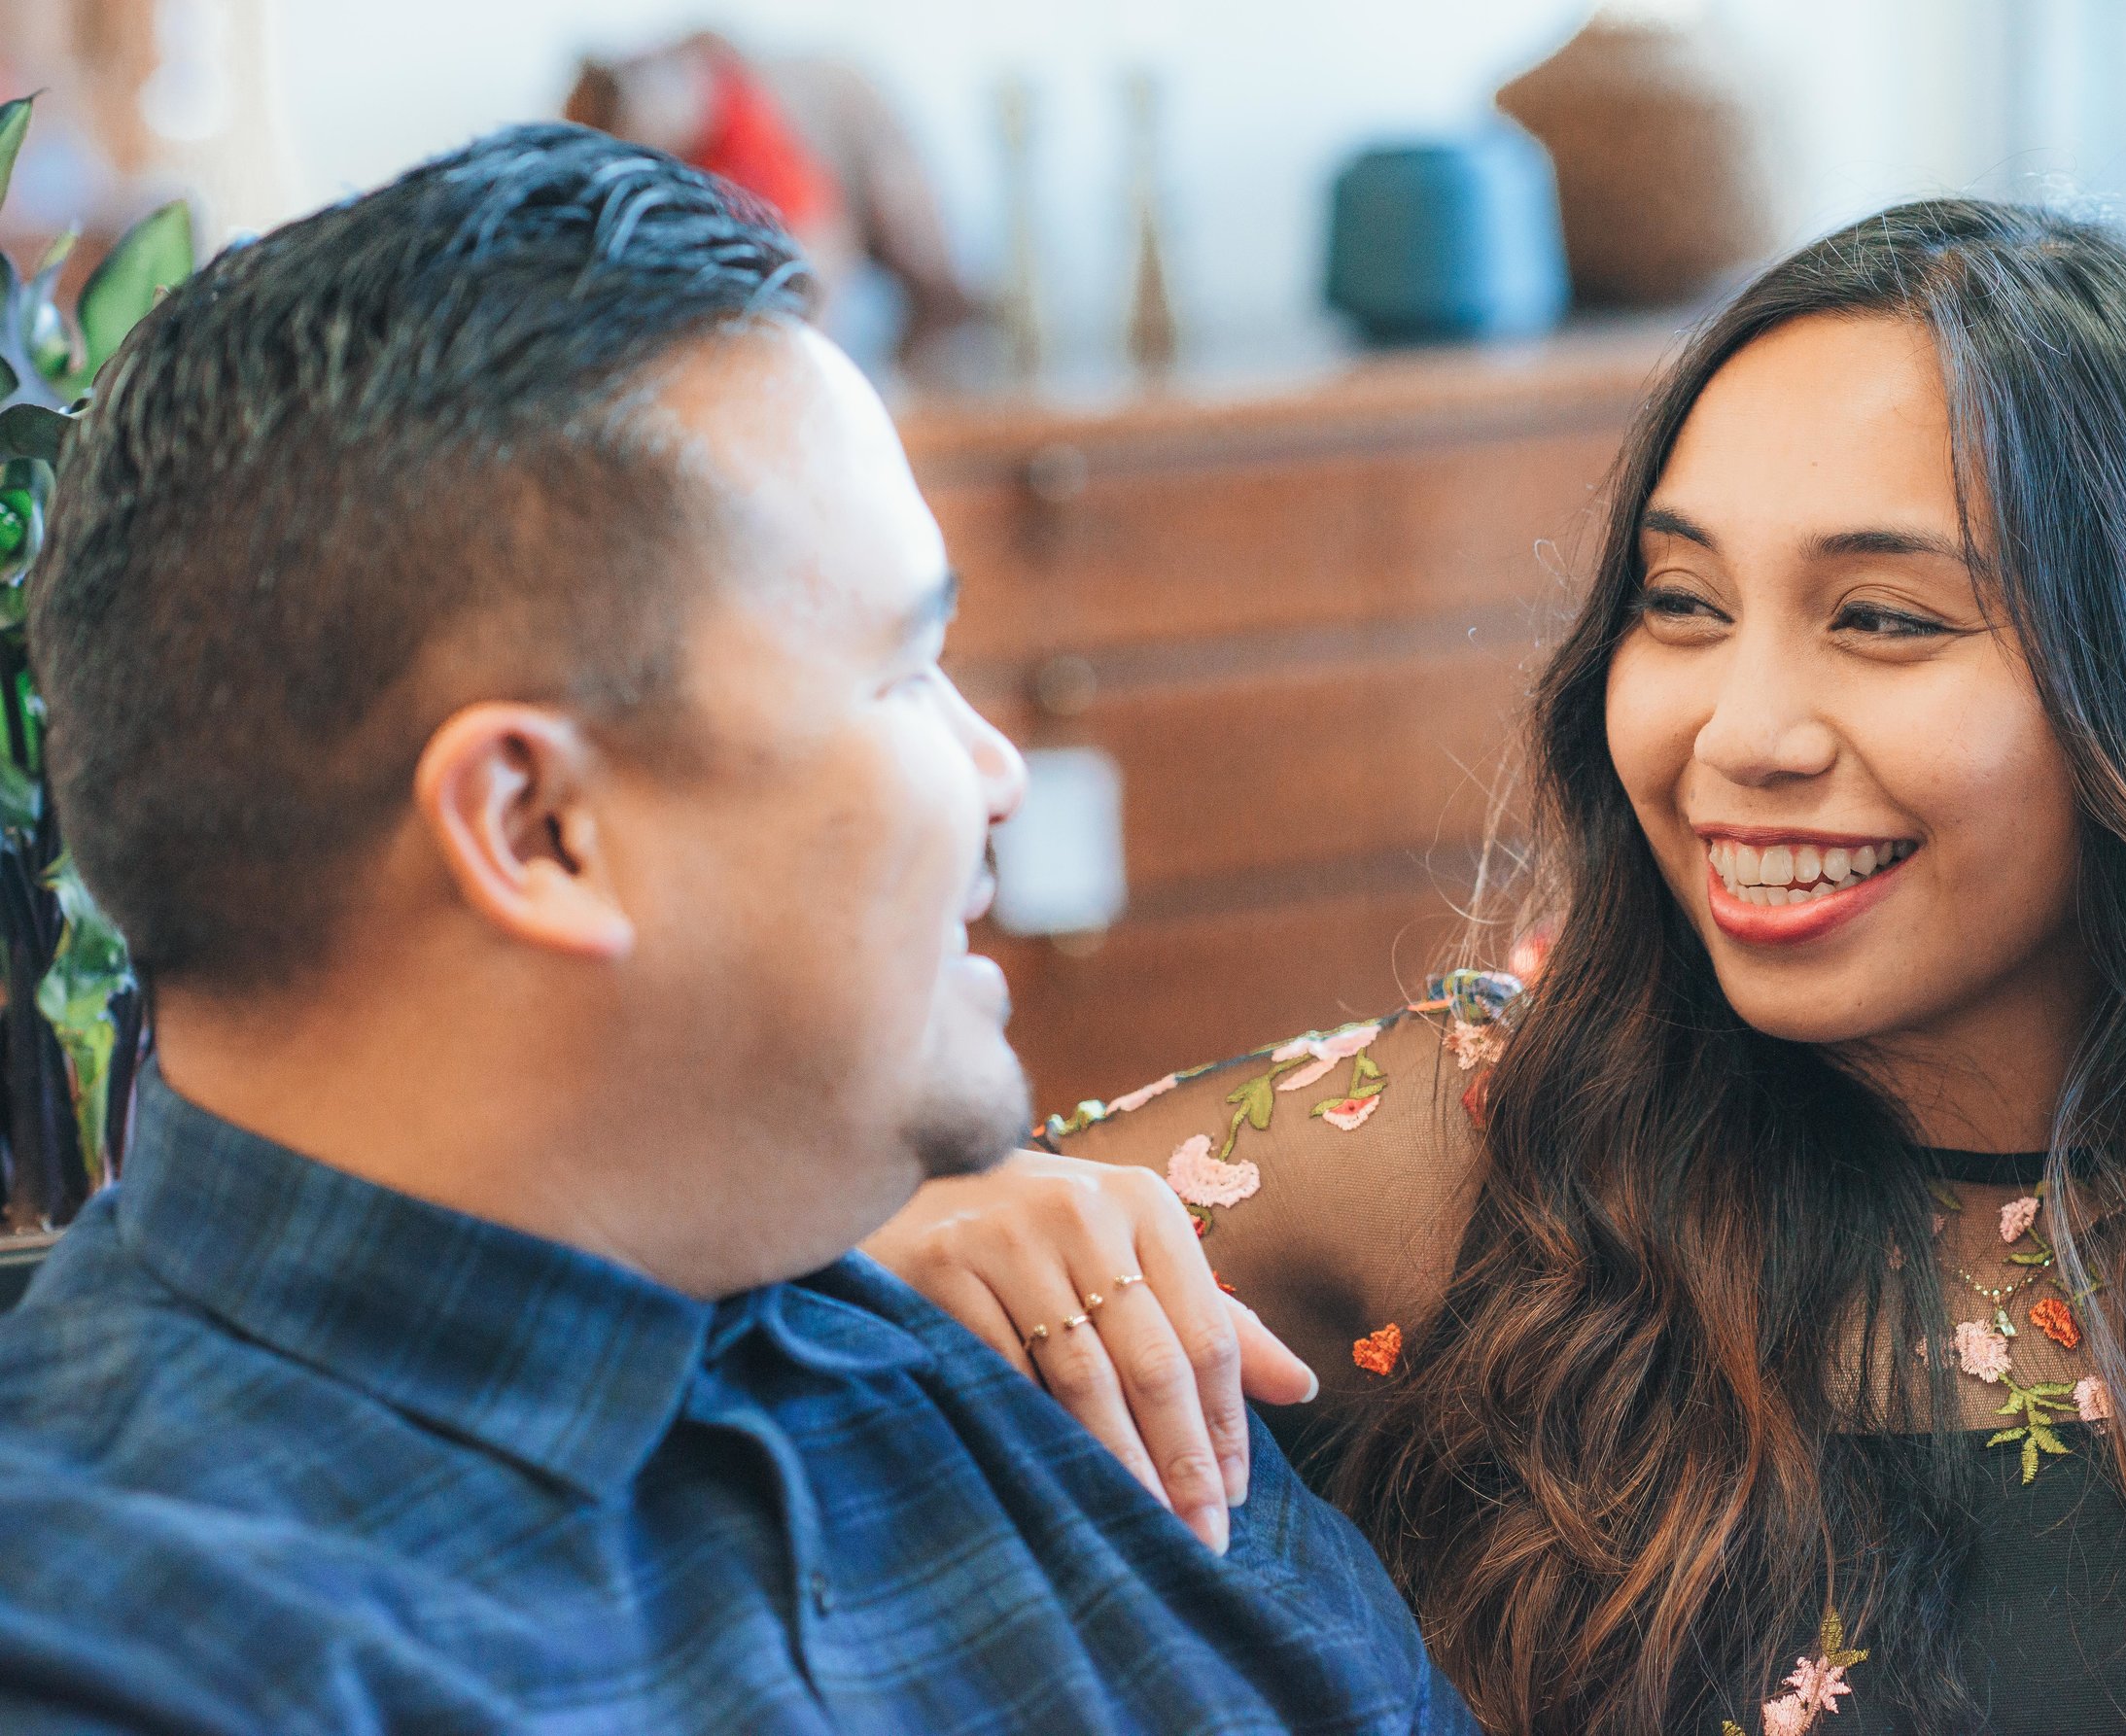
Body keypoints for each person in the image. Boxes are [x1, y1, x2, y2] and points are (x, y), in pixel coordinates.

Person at [867, 198, 2126, 1735]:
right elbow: (803, 1297)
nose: (1735, 737)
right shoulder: (1468, 1148)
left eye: (1881, 618)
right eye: (1680, 605)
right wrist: (923, 1221)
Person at [0, 123, 1473, 1736]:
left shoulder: (1075, 1380)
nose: (996, 777)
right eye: (905, 670)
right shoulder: (109, 1645)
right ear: (536, 828)